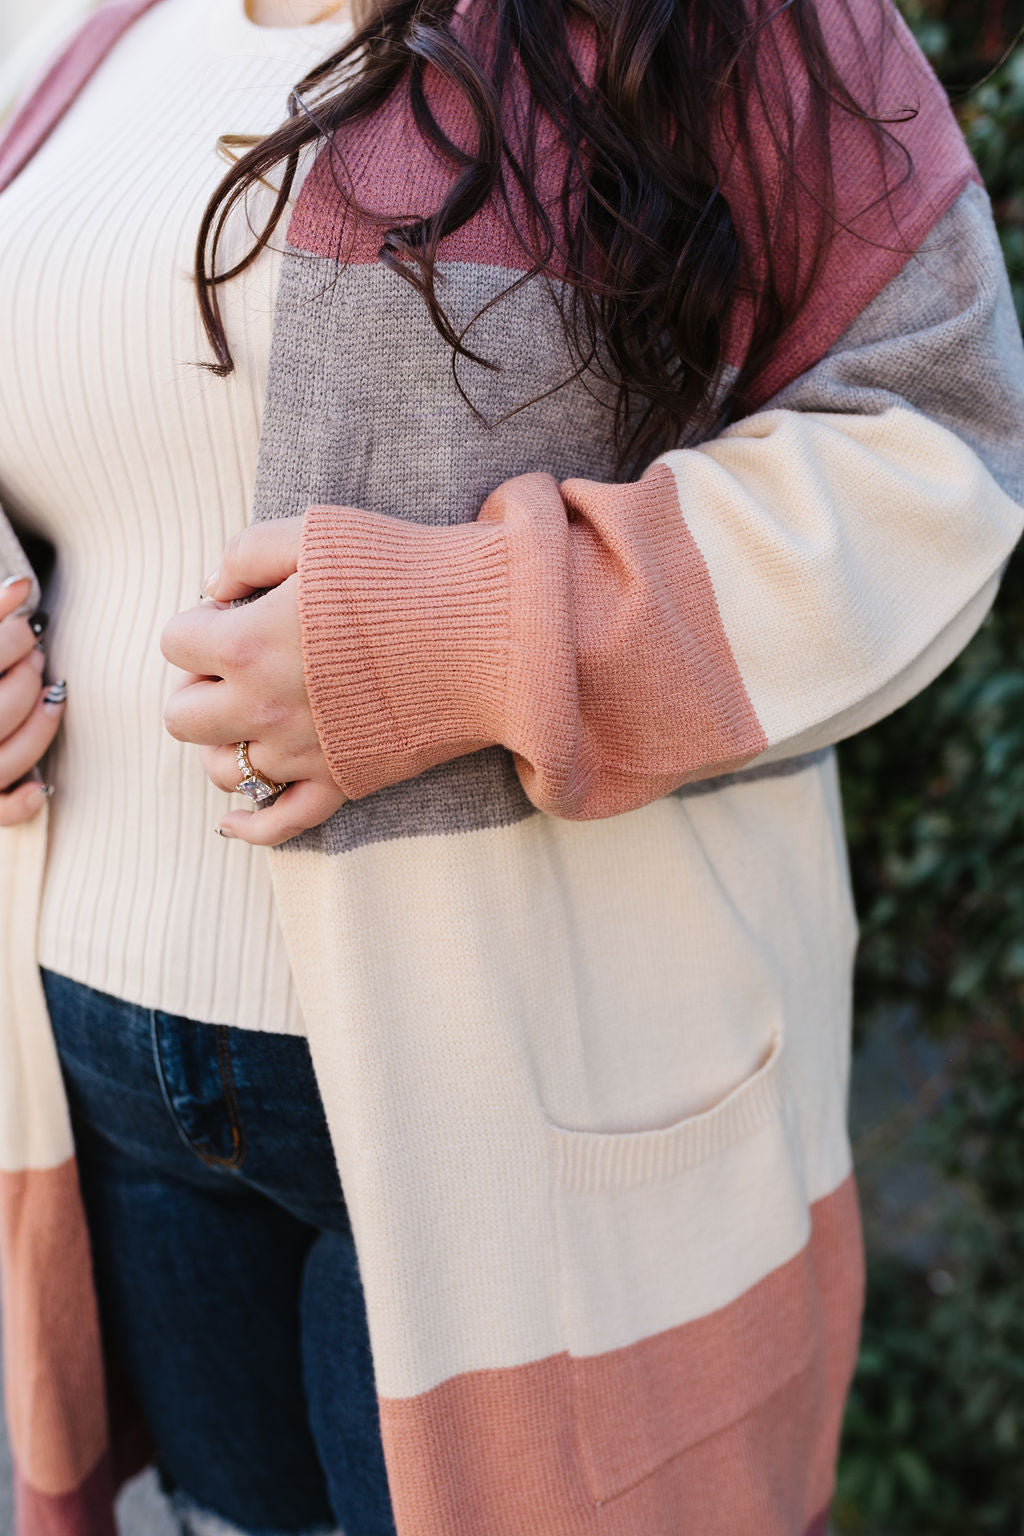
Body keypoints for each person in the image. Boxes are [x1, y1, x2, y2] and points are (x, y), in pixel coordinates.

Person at [0, 0, 1022, 1533]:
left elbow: (938, 445)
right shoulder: (66, 26)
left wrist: (470, 638)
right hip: (110, 1089)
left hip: (535, 1117)